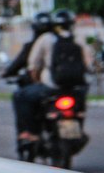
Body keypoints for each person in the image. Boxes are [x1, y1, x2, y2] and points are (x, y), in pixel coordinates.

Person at [13, 9, 91, 143]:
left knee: (20, 96)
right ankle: (79, 128)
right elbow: (89, 64)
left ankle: (31, 133)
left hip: (51, 86)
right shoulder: (79, 40)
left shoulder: (46, 39)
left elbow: (33, 65)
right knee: (80, 107)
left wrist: (36, 80)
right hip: (76, 88)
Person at [1, 11, 52, 85]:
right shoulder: (57, 41)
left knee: (19, 95)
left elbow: (22, 62)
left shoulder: (32, 46)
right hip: (58, 83)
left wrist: (8, 72)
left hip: (43, 83)